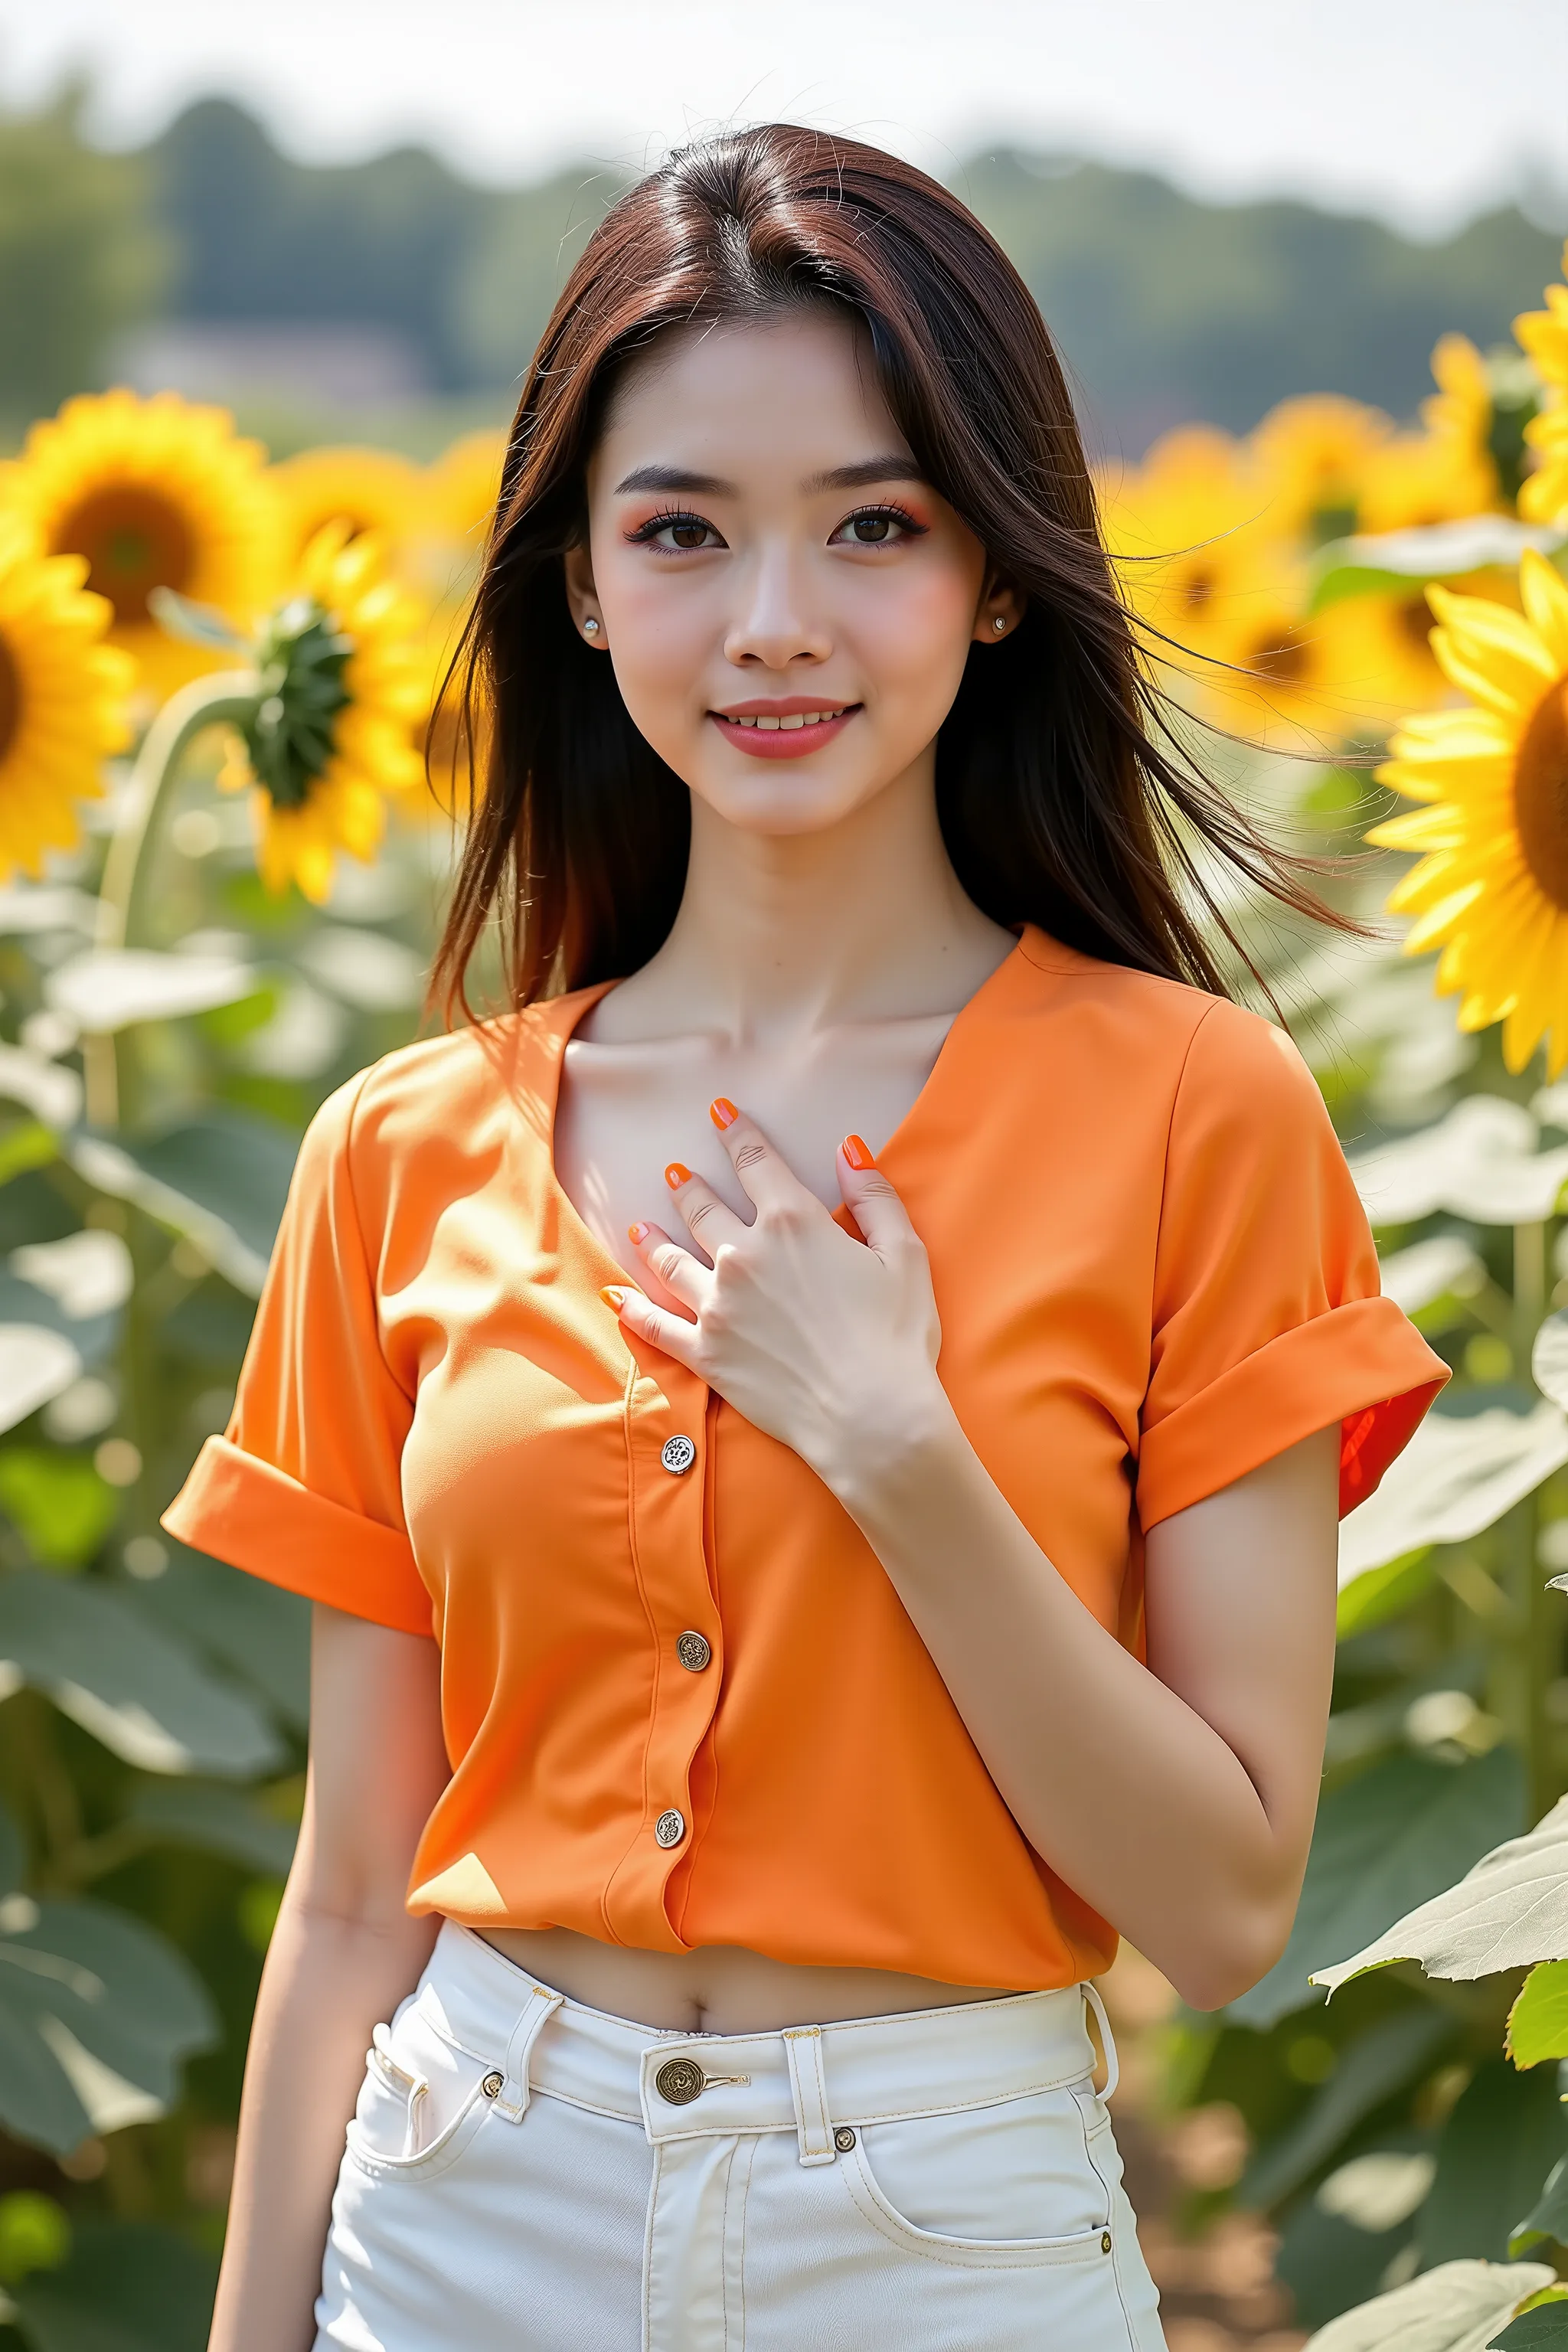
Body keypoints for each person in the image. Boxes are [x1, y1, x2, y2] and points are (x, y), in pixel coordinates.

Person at [166, 124, 1449, 2352]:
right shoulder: (400, 1149)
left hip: (945, 2234)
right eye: (682, 532)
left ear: (1003, 574)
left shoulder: (1194, 1116)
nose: (775, 622)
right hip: (457, 2201)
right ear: (579, 582)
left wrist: (898, 1445)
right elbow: (353, 1887)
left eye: (876, 525)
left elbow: (1229, 1908)